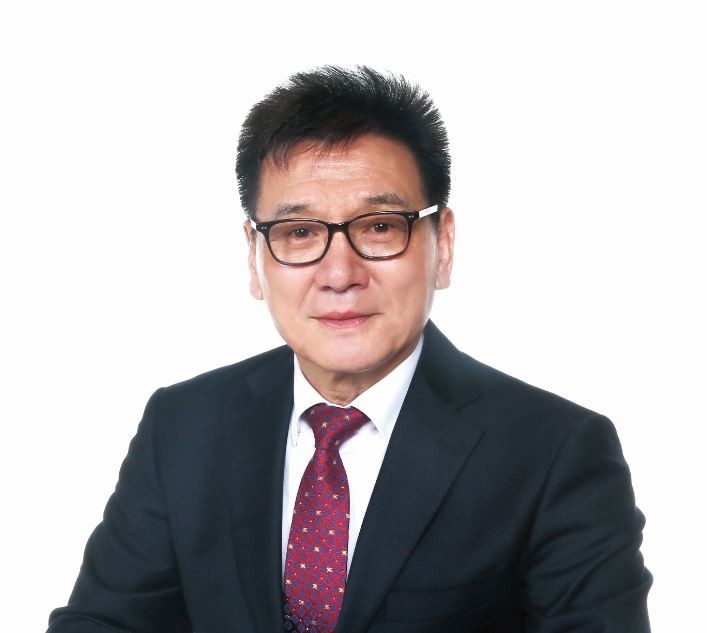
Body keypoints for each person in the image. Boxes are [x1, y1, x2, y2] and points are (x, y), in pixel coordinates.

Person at [48, 66, 652, 633]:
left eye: (380, 227)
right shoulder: (182, 426)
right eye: (299, 233)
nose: (340, 274)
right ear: (255, 259)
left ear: (442, 244)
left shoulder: (556, 454)